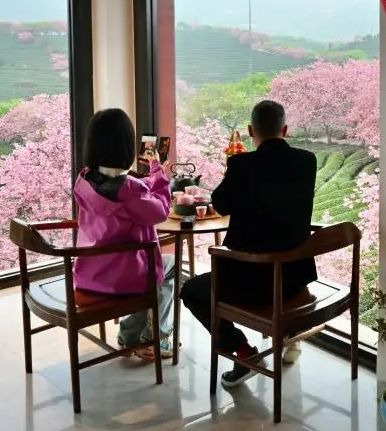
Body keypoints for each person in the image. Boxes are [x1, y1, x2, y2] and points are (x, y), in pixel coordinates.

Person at [180, 100, 317, 387]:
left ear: (251, 131)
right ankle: (284, 340)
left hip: (254, 283)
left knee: (191, 290)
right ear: (285, 130)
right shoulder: (308, 161)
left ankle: (245, 352)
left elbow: (220, 203)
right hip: (296, 277)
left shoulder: (242, 164)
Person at [73, 108, 177, 361]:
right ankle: (156, 336)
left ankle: (130, 334)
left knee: (157, 273)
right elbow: (160, 211)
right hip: (122, 275)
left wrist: (145, 184)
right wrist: (158, 172)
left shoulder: (85, 179)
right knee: (169, 268)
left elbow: (125, 196)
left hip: (89, 272)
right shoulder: (130, 189)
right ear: (126, 145)